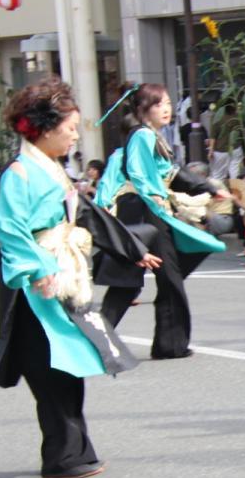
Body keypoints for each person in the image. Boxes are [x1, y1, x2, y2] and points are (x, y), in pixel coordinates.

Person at [0, 77, 160, 478]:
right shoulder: (20, 173)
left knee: (67, 365)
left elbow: (87, 214)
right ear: (46, 128)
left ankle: (72, 453)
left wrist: (132, 250)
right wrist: (38, 270)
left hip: (63, 277)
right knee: (49, 370)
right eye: (69, 128)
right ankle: (63, 457)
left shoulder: (51, 170)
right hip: (35, 286)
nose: (74, 136)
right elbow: (10, 229)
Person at [97, 84, 227, 359]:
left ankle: (95, 343)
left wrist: (205, 187)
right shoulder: (143, 135)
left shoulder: (148, 136)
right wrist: (156, 194)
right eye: (159, 104)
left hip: (143, 211)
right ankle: (168, 345)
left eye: (168, 103)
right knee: (165, 277)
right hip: (147, 212)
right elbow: (143, 173)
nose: (166, 109)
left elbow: (171, 173)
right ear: (143, 109)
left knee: (130, 282)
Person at [207, 100, 243, 181]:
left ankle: (219, 189)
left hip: (221, 150)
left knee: (218, 176)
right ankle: (235, 187)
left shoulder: (217, 117)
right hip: (236, 147)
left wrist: (211, 150)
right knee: (235, 172)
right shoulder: (237, 116)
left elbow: (213, 136)